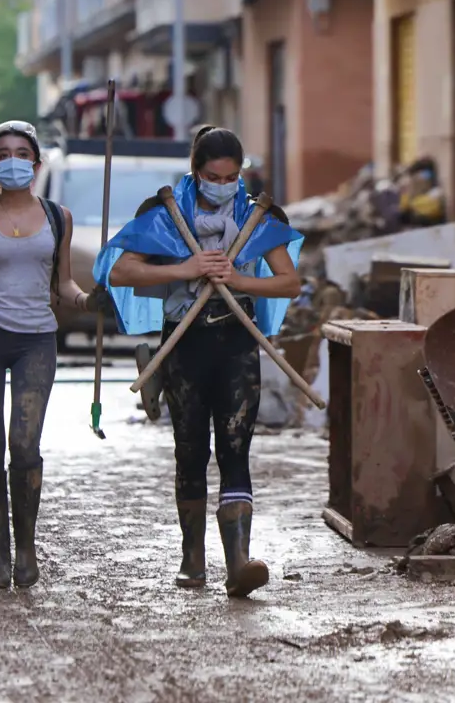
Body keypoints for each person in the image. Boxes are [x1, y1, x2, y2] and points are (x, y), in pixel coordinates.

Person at [101, 125, 301, 598]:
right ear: (196, 172)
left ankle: (238, 565)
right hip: (184, 343)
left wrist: (237, 279)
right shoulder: (166, 216)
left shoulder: (257, 219)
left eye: (232, 176)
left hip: (237, 343)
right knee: (190, 451)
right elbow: (121, 270)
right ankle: (193, 557)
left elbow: (290, 283)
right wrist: (186, 269)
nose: (223, 185)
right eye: (213, 176)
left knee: (236, 448)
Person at [0, 121, 110, 590]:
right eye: (4, 153)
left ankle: (27, 548)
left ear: (35, 163)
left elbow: (64, 284)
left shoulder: (59, 217)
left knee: (24, 446)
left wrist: (87, 301)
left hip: (37, 339)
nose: (13, 160)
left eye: (22, 153)